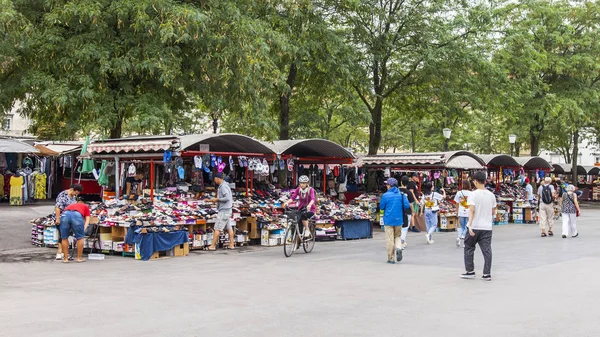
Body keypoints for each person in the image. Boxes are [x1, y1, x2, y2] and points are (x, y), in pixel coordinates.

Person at [461, 171, 496, 281]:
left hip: (475, 226)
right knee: (487, 250)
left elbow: (472, 210)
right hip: (487, 227)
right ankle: (487, 274)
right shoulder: (491, 195)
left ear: (475, 181)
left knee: (469, 247)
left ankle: (470, 271)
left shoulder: (473, 194)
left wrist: (469, 225)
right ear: (485, 181)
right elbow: (493, 211)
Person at [380, 178, 410, 264]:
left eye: (387, 184)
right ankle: (399, 248)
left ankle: (391, 258)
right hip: (399, 219)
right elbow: (407, 205)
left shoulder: (385, 195)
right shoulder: (401, 194)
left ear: (389, 185)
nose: (386, 186)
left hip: (388, 220)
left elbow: (382, 207)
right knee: (397, 236)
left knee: (389, 239)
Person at [54, 184, 83, 260]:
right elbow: (57, 207)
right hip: (62, 217)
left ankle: (65, 253)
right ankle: (59, 252)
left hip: (71, 218)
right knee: (62, 235)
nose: (76, 194)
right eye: (76, 193)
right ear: (72, 189)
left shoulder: (73, 197)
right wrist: (58, 218)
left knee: (67, 235)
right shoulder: (63, 195)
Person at [207, 172, 235, 251]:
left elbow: (227, 198)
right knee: (229, 227)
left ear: (217, 178)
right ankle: (231, 244)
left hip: (224, 211)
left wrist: (217, 199)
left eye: (215, 179)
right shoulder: (224, 185)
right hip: (227, 210)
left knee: (217, 228)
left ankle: (212, 246)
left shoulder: (223, 187)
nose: (214, 181)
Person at [60, 198, 91, 263]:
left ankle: (65, 259)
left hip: (65, 214)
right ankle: (79, 258)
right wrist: (84, 228)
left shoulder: (72, 205)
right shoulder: (85, 207)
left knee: (64, 238)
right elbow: (87, 219)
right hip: (76, 215)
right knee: (80, 238)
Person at [454, 180, 472, 248]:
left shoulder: (459, 193)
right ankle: (464, 239)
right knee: (467, 226)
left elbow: (457, 203)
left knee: (461, 226)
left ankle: (459, 237)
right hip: (468, 211)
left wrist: (456, 211)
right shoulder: (471, 193)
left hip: (461, 211)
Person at [399, 176, 414, 249]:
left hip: (398, 211)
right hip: (407, 212)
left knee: (398, 227)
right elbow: (411, 204)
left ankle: (400, 241)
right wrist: (413, 211)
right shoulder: (409, 192)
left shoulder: (397, 191)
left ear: (401, 181)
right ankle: (401, 242)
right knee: (405, 228)